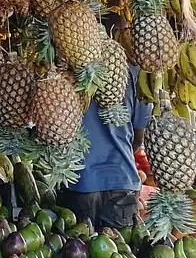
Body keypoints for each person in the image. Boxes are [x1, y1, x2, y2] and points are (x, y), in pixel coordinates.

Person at [58, 64, 153, 229]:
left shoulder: (69, 68)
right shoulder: (137, 73)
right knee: (120, 245)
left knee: (78, 244)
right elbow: (139, 138)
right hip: (122, 178)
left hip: (79, 178)